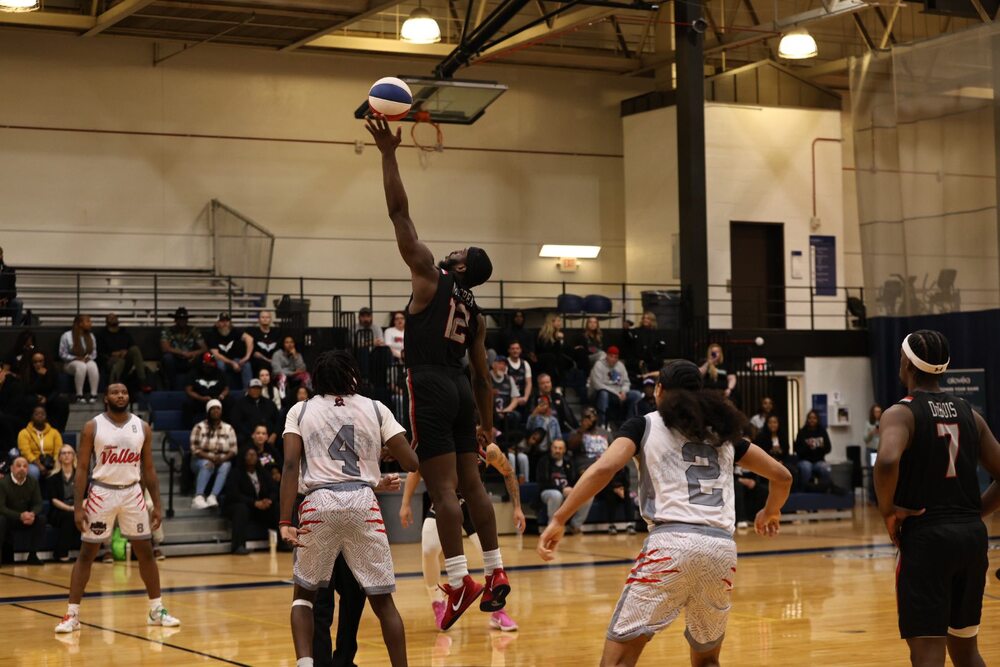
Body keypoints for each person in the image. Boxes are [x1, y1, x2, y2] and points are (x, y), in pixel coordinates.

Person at [537, 360, 793, 667]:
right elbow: (783, 477)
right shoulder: (724, 433)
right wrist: (770, 511)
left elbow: (605, 468)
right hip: (721, 550)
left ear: (659, 390)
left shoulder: (645, 424)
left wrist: (559, 518)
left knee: (617, 662)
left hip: (671, 544)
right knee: (707, 661)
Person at [368, 114, 511, 630]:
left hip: (429, 382)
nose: (453, 249)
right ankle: (495, 570)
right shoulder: (477, 313)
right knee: (473, 486)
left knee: (443, 490)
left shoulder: (429, 275)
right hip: (461, 390)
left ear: (460, 265)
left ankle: (458, 580)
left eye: (459, 251)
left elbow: (398, 213)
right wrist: (487, 426)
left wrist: (389, 153)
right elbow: (484, 376)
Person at [279, 350, 419, 667]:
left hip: (318, 502)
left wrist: (285, 520)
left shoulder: (301, 410)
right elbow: (411, 462)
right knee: (384, 603)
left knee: (304, 598)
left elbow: (290, 465)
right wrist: (385, 448)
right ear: (352, 376)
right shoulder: (375, 407)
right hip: (363, 502)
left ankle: (306, 664)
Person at [875, 330, 1000, 667]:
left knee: (928, 653)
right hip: (971, 539)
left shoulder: (901, 413)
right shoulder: (970, 413)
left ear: (906, 364)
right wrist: (974, 513)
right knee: (967, 652)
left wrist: (888, 511)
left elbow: (886, 460)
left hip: (927, 538)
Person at [54, 384, 180, 633]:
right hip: (101, 492)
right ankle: (72, 615)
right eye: (115, 392)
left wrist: (157, 505)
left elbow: (149, 469)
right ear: (106, 398)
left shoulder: (142, 427)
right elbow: (82, 468)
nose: (121, 395)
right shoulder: (92, 426)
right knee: (87, 553)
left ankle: (156, 610)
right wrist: (78, 507)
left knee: (146, 551)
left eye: (124, 392)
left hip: (132, 492)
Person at [399, 442, 526, 633]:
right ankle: (438, 603)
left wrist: (517, 508)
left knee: (491, 556)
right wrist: (405, 503)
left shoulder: (488, 450)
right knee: (428, 549)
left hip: (472, 506)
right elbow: (416, 471)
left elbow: (508, 472)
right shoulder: (441, 440)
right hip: (446, 504)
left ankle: (498, 609)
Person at [224, 447, 279, 555]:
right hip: (241, 506)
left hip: (260, 507)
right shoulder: (236, 473)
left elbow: (274, 489)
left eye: (254, 454)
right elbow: (234, 494)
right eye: (249, 454)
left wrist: (269, 500)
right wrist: (254, 503)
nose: (252, 457)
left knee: (277, 506)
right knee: (241, 509)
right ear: (243, 457)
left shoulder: (262, 472)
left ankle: (283, 543)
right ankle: (238, 546)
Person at [189, 399, 238, 510]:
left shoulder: (228, 428)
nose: (216, 411)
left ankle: (213, 496)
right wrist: (210, 457)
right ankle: (198, 496)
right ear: (208, 411)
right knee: (207, 464)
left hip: (221, 459)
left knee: (226, 465)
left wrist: (223, 459)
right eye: (213, 409)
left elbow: (233, 450)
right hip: (200, 460)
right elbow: (194, 448)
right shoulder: (199, 427)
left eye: (218, 408)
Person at [536, 439, 592, 533]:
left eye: (560, 448)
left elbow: (574, 480)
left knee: (588, 494)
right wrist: (561, 489)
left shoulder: (568, 462)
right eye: (555, 448)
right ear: (551, 448)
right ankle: (552, 526)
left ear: (564, 450)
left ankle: (575, 525)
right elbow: (543, 483)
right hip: (547, 492)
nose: (557, 451)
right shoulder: (544, 461)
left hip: (566, 492)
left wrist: (574, 489)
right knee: (556, 495)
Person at [0, 456, 46, 565]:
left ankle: (33, 555)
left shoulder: (33, 481)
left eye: (25, 466)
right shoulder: (3, 483)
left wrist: (32, 514)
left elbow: (38, 503)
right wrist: (19, 516)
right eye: (18, 466)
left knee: (41, 519)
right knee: (1, 520)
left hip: (26, 519)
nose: (22, 468)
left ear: (28, 469)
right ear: (12, 468)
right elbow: (1, 508)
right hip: (9, 518)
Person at [96, 313, 151, 392]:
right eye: (110, 317)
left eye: (115, 317)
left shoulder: (124, 333)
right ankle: (113, 388)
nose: (113, 318)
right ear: (106, 321)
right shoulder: (102, 334)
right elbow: (100, 352)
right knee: (120, 362)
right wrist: (113, 353)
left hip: (126, 359)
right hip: (109, 360)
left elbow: (132, 346)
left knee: (135, 349)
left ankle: (143, 382)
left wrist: (126, 352)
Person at [588, 346, 641, 428]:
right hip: (601, 393)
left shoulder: (620, 366)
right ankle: (602, 423)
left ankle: (630, 423)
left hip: (619, 393)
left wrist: (623, 391)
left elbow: (626, 382)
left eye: (615, 357)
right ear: (607, 356)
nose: (613, 359)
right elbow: (598, 385)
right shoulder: (599, 365)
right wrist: (616, 393)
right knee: (603, 393)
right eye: (611, 356)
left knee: (636, 394)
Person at [46, 444, 81, 562]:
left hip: (77, 508)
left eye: (69, 453)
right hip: (58, 511)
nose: (66, 455)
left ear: (74, 456)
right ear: (59, 457)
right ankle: (61, 553)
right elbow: (54, 500)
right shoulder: (52, 478)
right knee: (69, 516)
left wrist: (77, 508)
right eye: (63, 453)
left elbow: (86, 497)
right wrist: (70, 508)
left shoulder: (80, 476)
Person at [160, 307, 207, 390]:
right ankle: (172, 387)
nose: (182, 321)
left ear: (187, 320)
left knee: (201, 358)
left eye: (184, 319)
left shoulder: (194, 330)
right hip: (175, 359)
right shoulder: (167, 330)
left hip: (190, 359)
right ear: (175, 320)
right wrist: (181, 353)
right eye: (179, 319)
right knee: (167, 358)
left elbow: (204, 348)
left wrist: (192, 354)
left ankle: (198, 387)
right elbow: (165, 348)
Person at [22, 351, 69, 433]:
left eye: (40, 361)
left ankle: (59, 431)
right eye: (35, 362)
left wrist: (47, 399)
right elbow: (28, 390)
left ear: (45, 361)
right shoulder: (28, 372)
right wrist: (40, 377)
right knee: (28, 401)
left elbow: (57, 389)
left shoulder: (52, 371)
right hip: (34, 397)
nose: (38, 364)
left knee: (62, 402)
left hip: (49, 397)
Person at [207, 312, 254, 389]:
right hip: (221, 360)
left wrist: (247, 356)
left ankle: (248, 391)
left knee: (246, 365)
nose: (225, 323)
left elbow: (250, 339)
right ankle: (221, 390)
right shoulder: (212, 334)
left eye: (227, 321)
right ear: (217, 323)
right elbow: (216, 355)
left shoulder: (234, 331)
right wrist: (232, 363)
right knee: (220, 365)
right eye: (222, 321)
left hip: (235, 359)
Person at [59, 314, 100, 403]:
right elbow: (62, 354)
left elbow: (94, 352)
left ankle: (94, 394)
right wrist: (76, 358)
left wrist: (89, 357)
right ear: (80, 323)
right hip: (69, 363)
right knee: (81, 366)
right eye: (88, 321)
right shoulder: (66, 336)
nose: (90, 323)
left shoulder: (91, 336)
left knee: (93, 365)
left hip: (86, 360)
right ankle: (79, 395)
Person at [184, 352, 230, 428]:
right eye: (209, 363)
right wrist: (201, 398)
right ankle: (188, 429)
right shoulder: (194, 373)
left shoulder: (220, 372)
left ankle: (226, 427)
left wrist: (222, 396)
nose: (211, 365)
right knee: (187, 403)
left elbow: (226, 389)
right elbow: (188, 390)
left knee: (229, 401)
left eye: (212, 362)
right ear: (203, 364)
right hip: (199, 399)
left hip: (216, 399)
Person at [17, 405, 63, 480]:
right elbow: (26, 453)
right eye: (36, 414)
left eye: (42, 414)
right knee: (34, 471)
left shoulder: (55, 433)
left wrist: (54, 464)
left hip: (51, 462)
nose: (40, 416)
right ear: (31, 417)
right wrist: (39, 465)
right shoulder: (24, 433)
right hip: (32, 463)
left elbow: (58, 450)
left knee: (62, 469)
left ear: (46, 416)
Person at [231, 379, 279, 446]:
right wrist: (251, 435)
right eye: (253, 388)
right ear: (248, 389)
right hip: (248, 437)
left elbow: (278, 421)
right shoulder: (240, 404)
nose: (256, 390)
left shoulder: (270, 403)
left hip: (269, 437)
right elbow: (236, 422)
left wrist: (274, 434)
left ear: (261, 390)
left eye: (258, 388)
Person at [794, 410, 832, 491]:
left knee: (826, 468)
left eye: (814, 418)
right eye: (810, 418)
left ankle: (825, 489)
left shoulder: (822, 431)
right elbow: (797, 449)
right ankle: (804, 490)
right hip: (804, 460)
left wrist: (822, 447)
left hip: (819, 461)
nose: (812, 420)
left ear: (817, 419)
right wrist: (807, 446)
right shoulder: (802, 432)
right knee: (806, 468)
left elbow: (828, 448)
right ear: (807, 419)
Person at [489, 356, 521, 444]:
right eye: (500, 363)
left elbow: (515, 399)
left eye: (504, 364)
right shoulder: (487, 377)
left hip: (505, 411)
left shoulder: (509, 379)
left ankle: (510, 444)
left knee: (516, 416)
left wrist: (507, 410)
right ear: (493, 365)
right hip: (490, 411)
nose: (502, 366)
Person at [534, 373, 577, 437]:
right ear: (539, 385)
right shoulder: (535, 398)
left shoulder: (558, 396)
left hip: (562, 430)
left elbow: (568, 413)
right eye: (543, 383)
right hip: (543, 432)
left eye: (548, 382)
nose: (546, 385)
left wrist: (576, 427)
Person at [536, 313, 572, 387]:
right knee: (552, 358)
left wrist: (561, 340)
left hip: (558, 358)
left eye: (560, 321)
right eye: (557, 321)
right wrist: (557, 340)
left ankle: (561, 386)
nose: (560, 323)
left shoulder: (560, 334)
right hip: (544, 358)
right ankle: (556, 385)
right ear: (551, 322)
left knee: (562, 359)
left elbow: (564, 350)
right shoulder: (542, 334)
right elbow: (546, 349)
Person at [249, 310, 280, 376]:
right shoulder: (252, 332)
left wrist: (274, 360)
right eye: (263, 317)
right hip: (259, 361)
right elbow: (255, 354)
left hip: (274, 359)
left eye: (267, 317)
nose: (265, 319)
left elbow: (278, 350)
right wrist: (267, 360)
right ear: (259, 319)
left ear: (270, 319)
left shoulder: (277, 332)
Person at [506, 341, 532, 420]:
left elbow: (529, 383)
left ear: (520, 350)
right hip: (509, 398)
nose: (515, 351)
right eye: (513, 349)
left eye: (517, 348)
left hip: (522, 397)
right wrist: (515, 400)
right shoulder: (505, 363)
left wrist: (525, 398)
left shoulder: (525, 364)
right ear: (509, 350)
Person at [0, 247, 23, 325]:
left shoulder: (9, 270)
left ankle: (16, 330)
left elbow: (13, 291)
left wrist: (5, 300)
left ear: (1, 256)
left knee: (18, 303)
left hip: (5, 303)